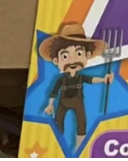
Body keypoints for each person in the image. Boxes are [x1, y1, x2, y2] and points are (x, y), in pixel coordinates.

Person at [41, 24, 113, 152]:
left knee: (82, 123)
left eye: (79, 53)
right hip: (62, 104)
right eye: (65, 56)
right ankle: (56, 147)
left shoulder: (81, 77)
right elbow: (54, 92)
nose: (73, 60)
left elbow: (91, 80)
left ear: (87, 55)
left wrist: (104, 79)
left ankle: (80, 148)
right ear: (56, 60)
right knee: (58, 123)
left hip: (78, 103)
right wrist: (50, 105)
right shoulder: (61, 80)